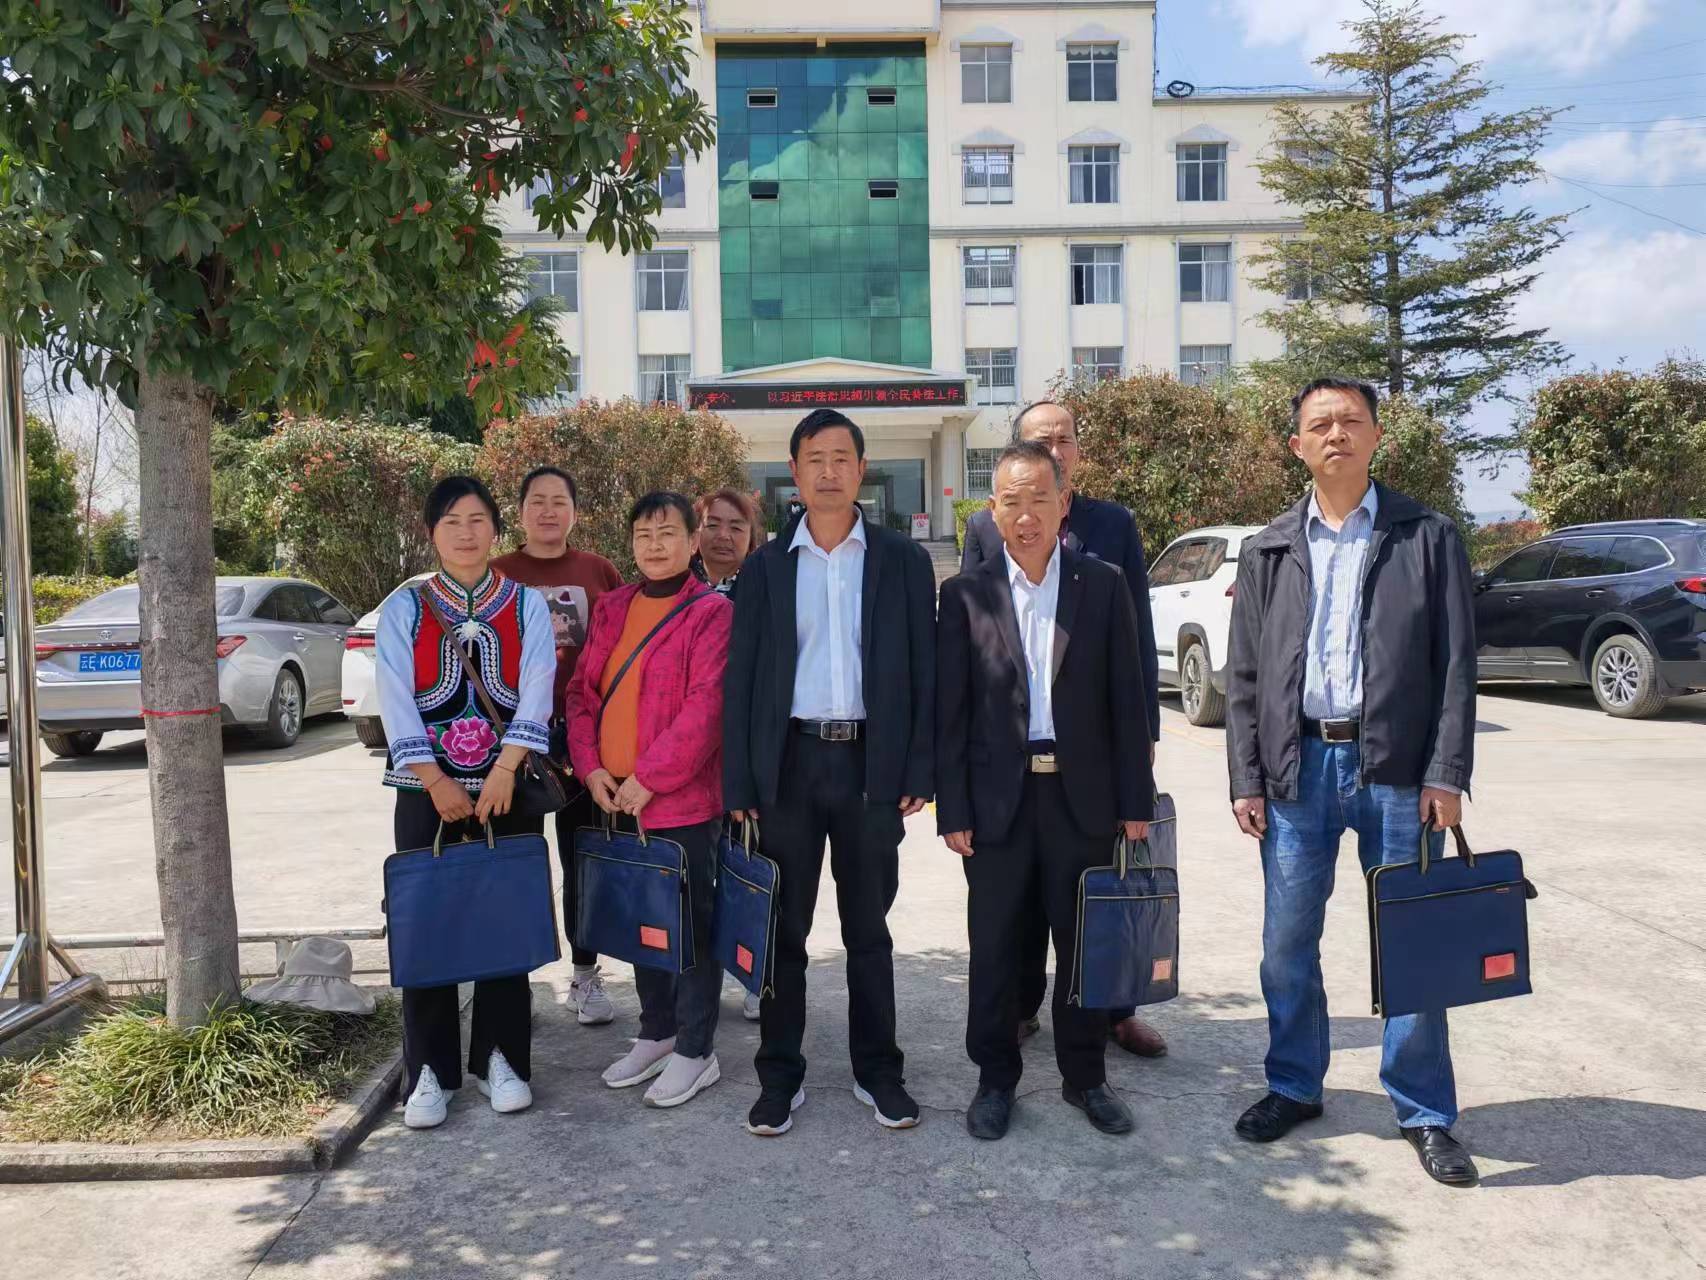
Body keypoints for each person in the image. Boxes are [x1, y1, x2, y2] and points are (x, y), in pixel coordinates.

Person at [1225, 377, 1478, 1186]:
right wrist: (1247, 778)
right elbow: (1244, 676)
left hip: (1397, 772)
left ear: (1375, 437)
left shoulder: (1426, 536)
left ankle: (1424, 1110)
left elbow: (1456, 665)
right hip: (1296, 770)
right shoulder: (1269, 548)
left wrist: (1446, 773)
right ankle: (1295, 1084)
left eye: (1350, 421)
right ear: (1297, 445)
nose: (1335, 433)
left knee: (1413, 942)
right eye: (1320, 424)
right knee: (1285, 944)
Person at [723, 408, 936, 1137]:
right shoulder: (765, 567)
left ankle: (880, 1072)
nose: (829, 471)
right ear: (795, 471)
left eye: (842, 457)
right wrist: (741, 783)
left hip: (871, 767)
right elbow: (742, 680)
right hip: (789, 765)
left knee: (868, 928)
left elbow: (925, 671)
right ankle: (779, 1076)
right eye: (815, 458)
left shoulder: (902, 561)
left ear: (861, 469)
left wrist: (917, 766)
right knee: (785, 930)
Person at [938, 441, 1155, 1141]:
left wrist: (1135, 802)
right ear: (991, 511)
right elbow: (951, 712)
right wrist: (953, 806)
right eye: (1012, 501)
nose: (1026, 515)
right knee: (995, 946)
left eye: (1040, 499)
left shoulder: (1103, 584)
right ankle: (994, 1079)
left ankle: (1084, 1076)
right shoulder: (966, 594)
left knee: (1084, 942)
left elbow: (1128, 701)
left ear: (1063, 503)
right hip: (997, 802)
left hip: (1082, 798)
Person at [377, 475, 557, 1130]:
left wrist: (506, 767)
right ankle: (429, 1068)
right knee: (428, 920)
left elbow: (538, 685)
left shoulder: (527, 604)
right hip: (426, 790)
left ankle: (501, 1058)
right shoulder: (405, 608)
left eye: (477, 519)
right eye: (451, 521)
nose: (465, 532)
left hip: (509, 788)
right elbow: (394, 696)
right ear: (432, 532)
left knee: (503, 919)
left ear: (495, 529)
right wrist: (434, 780)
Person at [565, 492, 734, 1109]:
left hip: (678, 802)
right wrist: (590, 768)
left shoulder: (711, 612)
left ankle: (696, 1048)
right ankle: (657, 1031)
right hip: (613, 797)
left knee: (690, 926)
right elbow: (582, 695)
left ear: (693, 541)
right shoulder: (613, 607)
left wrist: (651, 777)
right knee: (644, 922)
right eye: (643, 534)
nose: (654, 545)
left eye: (667, 533)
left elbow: (706, 707)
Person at [492, 466, 624, 1027]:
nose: (548, 511)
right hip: (512, 739)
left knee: (582, 857)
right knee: (517, 860)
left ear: (575, 511)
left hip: (582, 737)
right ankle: (514, 981)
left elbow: (621, 648)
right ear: (520, 511)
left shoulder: (598, 570)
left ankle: (585, 975)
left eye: (559, 501)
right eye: (537, 501)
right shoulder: (498, 573)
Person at [693, 487, 766, 598]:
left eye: (735, 528)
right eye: (713, 525)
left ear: (751, 538)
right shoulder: (675, 583)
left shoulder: (767, 587)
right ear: (695, 534)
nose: (723, 536)